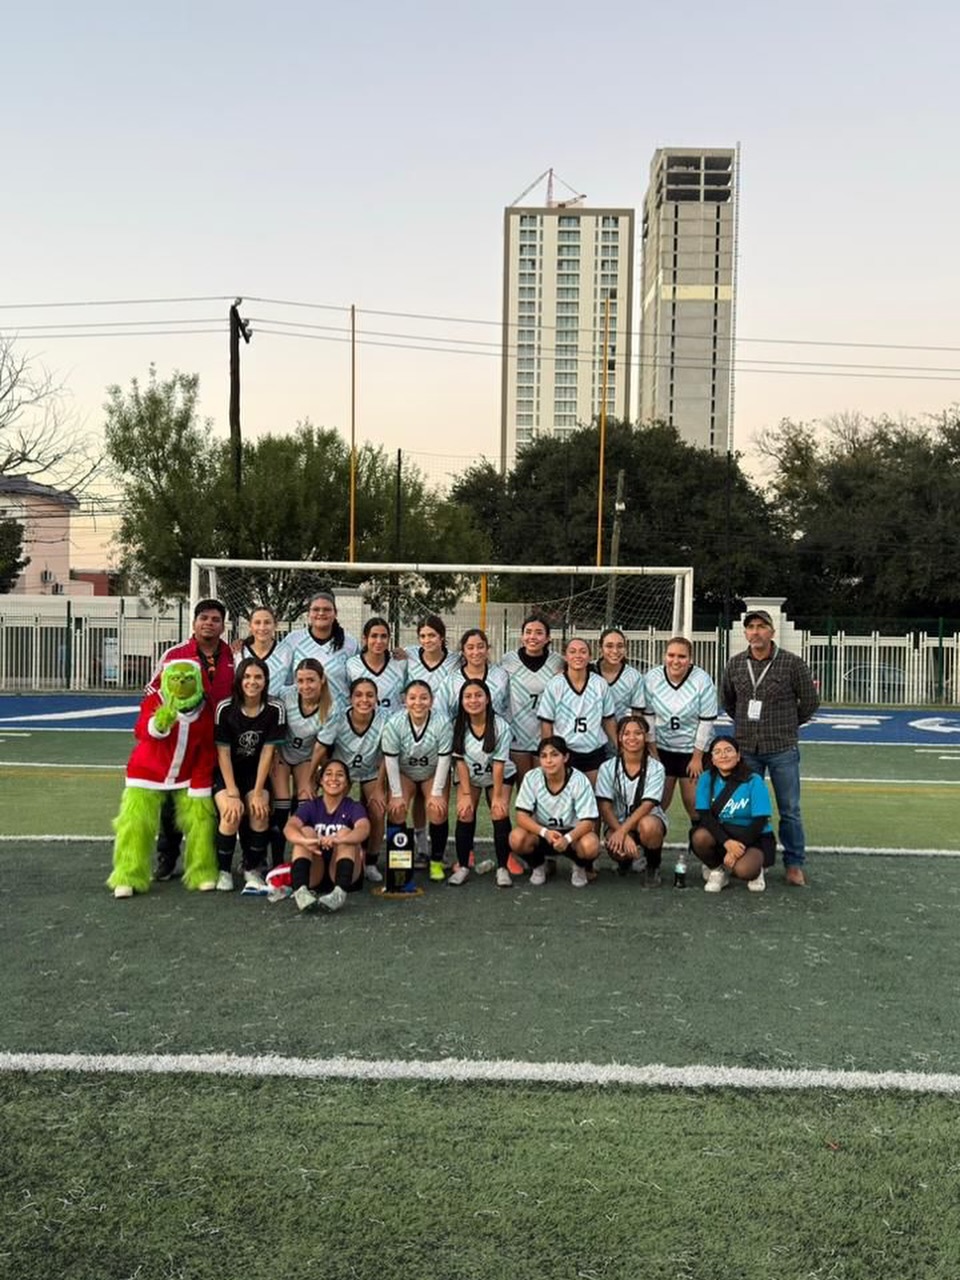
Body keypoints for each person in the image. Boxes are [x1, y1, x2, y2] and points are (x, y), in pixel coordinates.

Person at [721, 609, 820, 886]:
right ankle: (752, 859)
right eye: (751, 627)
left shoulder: (792, 664)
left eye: (761, 626)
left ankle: (794, 863)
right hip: (746, 749)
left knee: (789, 809)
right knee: (745, 808)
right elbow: (729, 702)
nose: (756, 632)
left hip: (781, 748)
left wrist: (788, 725)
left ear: (772, 632)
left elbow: (810, 702)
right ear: (745, 633)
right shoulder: (736, 664)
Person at [149, 598, 235, 881]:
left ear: (223, 626)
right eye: (204, 618)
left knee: (209, 803)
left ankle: (206, 860)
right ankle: (167, 857)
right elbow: (153, 694)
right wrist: (160, 726)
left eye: (215, 619)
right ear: (194, 622)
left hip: (221, 742)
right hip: (182, 741)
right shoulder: (175, 655)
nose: (209, 623)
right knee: (172, 802)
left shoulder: (235, 657)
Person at [212, 656, 286, 894]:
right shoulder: (225, 708)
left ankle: (251, 867)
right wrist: (232, 791)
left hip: (257, 775)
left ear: (265, 681)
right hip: (228, 773)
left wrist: (256, 791)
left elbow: (267, 752)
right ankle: (223, 871)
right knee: (231, 813)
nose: (252, 682)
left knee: (259, 811)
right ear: (239, 679)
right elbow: (222, 753)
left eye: (258, 677)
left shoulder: (275, 709)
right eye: (247, 677)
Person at [382, 680, 453, 882]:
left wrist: (437, 792)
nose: (418, 703)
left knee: (437, 809)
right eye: (412, 698)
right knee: (397, 810)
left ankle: (436, 862)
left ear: (431, 701)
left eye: (423, 698)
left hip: (432, 772)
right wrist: (395, 795)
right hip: (405, 772)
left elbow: (444, 758)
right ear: (405, 700)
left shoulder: (442, 723)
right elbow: (391, 761)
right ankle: (401, 863)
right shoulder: (395, 723)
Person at [319, 676, 388, 884]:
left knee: (377, 809)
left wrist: (379, 788)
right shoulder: (338, 717)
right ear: (350, 699)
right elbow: (322, 747)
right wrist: (321, 774)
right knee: (331, 808)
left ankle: (371, 862)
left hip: (370, 771)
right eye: (358, 695)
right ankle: (329, 855)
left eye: (369, 695)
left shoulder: (385, 718)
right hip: (342, 772)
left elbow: (387, 755)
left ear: (377, 699)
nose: (364, 700)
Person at [449, 678, 515, 888]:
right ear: (461, 701)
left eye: (478, 695)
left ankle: (503, 867)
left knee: (499, 811)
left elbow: (499, 765)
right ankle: (463, 866)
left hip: (499, 775)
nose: (473, 700)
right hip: (470, 776)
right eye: (468, 696)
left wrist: (496, 796)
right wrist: (466, 794)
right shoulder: (457, 725)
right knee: (465, 811)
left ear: (487, 699)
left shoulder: (500, 726)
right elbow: (459, 761)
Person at [509, 735, 600, 889]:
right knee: (516, 838)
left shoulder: (579, 780)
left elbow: (588, 821)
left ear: (565, 757)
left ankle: (579, 867)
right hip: (544, 834)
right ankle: (539, 865)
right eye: (544, 756)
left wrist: (567, 839)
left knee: (591, 844)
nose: (549, 760)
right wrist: (545, 833)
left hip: (572, 836)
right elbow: (521, 816)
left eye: (554, 755)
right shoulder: (532, 778)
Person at [643, 636, 718, 821]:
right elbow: (648, 718)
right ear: (664, 656)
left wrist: (697, 757)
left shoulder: (702, 679)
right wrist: (653, 753)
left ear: (690, 659)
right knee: (657, 803)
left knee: (695, 805)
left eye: (682, 656)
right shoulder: (652, 678)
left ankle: (701, 846)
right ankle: (651, 848)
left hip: (692, 751)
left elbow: (706, 721)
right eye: (671, 655)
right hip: (662, 749)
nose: (676, 661)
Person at [283, 759, 370, 913]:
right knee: (306, 831)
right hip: (316, 869)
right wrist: (306, 841)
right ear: (321, 781)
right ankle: (301, 892)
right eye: (328, 774)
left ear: (347, 783)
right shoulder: (311, 806)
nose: (334, 779)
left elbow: (363, 829)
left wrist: (339, 839)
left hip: (345, 873)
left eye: (340, 775)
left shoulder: (353, 806)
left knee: (346, 833)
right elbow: (289, 828)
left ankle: (339, 894)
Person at [691, 734, 774, 894]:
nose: (723, 755)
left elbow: (760, 820)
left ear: (738, 756)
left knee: (745, 871)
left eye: (728, 750)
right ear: (713, 759)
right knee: (700, 836)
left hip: (752, 837)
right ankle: (717, 870)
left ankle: (758, 870)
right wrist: (728, 843)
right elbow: (704, 815)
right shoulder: (706, 778)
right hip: (722, 835)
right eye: (718, 752)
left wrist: (736, 850)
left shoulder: (753, 780)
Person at [269, 657, 334, 862]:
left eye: (311, 680)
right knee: (281, 803)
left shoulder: (331, 708)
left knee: (305, 798)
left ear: (322, 680)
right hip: (281, 753)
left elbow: (320, 747)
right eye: (301, 680)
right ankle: (277, 860)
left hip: (307, 757)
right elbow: (272, 729)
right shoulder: (285, 696)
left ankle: (302, 858)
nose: (305, 686)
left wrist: (311, 778)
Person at [595, 714, 668, 884]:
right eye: (626, 733)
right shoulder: (607, 767)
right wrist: (620, 832)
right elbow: (604, 807)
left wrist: (623, 832)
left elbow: (647, 805)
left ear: (646, 737)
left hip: (645, 821)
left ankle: (652, 866)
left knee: (649, 826)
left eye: (638, 733)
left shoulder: (656, 767)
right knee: (616, 848)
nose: (632, 738)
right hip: (617, 822)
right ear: (619, 738)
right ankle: (625, 862)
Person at [537, 637, 617, 784]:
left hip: (594, 752)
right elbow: (546, 723)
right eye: (572, 652)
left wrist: (619, 746)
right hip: (566, 753)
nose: (578, 656)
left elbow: (608, 719)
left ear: (590, 656)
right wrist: (549, 752)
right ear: (565, 657)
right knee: (566, 801)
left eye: (583, 652)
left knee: (594, 801)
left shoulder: (599, 684)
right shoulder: (555, 684)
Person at [500, 613, 564, 783]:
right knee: (525, 788)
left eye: (538, 632)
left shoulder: (557, 662)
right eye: (528, 632)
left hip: (545, 733)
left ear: (548, 637)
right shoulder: (508, 660)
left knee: (544, 786)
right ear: (522, 636)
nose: (532, 637)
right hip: (517, 733)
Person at [269, 590, 360, 708]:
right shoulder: (293, 640)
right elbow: (282, 676)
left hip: (338, 715)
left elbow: (359, 678)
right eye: (316, 609)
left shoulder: (350, 643)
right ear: (308, 614)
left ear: (335, 613)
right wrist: (244, 644)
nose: (321, 613)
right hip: (300, 715)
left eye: (327, 609)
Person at [441, 628, 510, 721]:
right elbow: (441, 712)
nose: (476, 652)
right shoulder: (451, 681)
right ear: (463, 652)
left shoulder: (501, 676)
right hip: (460, 733)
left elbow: (509, 710)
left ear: (487, 649)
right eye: (470, 648)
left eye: (480, 646)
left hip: (496, 733)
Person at [345, 616, 407, 713]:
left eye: (383, 636)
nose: (379, 641)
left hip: (392, 725)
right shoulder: (352, 665)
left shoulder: (399, 663)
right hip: (365, 725)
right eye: (374, 636)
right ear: (365, 639)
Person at [592, 628, 645, 729]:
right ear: (600, 648)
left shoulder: (634, 676)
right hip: (592, 736)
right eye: (609, 646)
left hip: (621, 733)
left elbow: (637, 713)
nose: (615, 651)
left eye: (620, 646)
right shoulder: (588, 671)